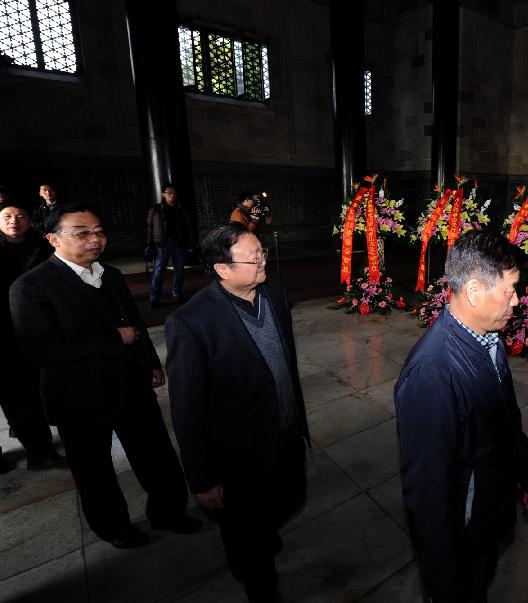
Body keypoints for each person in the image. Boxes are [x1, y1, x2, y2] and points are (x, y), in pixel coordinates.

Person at [9, 204, 200, 548]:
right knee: (94, 470)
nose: (94, 239)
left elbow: (134, 323)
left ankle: (169, 512)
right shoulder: (30, 287)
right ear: (53, 239)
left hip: (130, 384)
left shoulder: (110, 274)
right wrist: (114, 339)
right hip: (79, 395)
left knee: (156, 454)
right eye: (81, 233)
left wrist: (150, 362)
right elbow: (43, 348)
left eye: (99, 231)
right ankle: (113, 527)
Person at [395, 229, 528, 603]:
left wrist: (526, 474)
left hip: (488, 510)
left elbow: (508, 417)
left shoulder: (488, 338)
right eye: (510, 290)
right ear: (475, 291)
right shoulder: (431, 374)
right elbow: (427, 495)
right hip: (462, 528)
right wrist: (442, 584)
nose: (517, 300)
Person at [165, 222, 309, 602]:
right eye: (254, 257)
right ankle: (257, 580)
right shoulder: (190, 323)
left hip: (287, 431)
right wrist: (201, 476)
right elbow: (187, 408)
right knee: (245, 535)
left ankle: (263, 531)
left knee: (291, 497)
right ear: (222, 268)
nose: (264, 261)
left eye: (262, 252)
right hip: (239, 452)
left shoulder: (273, 291)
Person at [0, 199, 67, 471]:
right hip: (5, 336)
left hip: (42, 329)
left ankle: (46, 440)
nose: (14, 221)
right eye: (7, 216)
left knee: (48, 389)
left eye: (20, 215)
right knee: (19, 397)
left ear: (29, 219)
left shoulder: (43, 247)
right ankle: (39, 453)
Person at [147, 183, 194, 308]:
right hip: (162, 243)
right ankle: (154, 297)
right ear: (163, 194)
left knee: (179, 271)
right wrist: (149, 244)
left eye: (174, 193)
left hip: (179, 243)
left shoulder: (182, 208)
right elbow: (150, 228)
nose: (172, 195)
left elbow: (189, 227)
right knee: (158, 272)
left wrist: (190, 243)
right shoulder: (156, 209)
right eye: (169, 193)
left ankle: (177, 294)